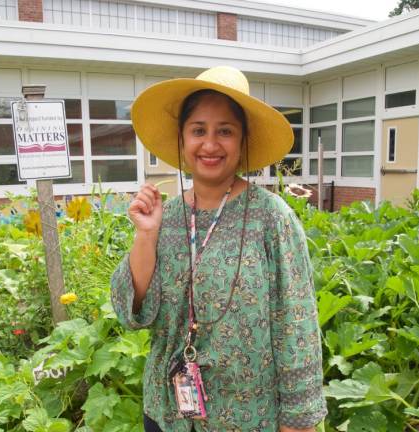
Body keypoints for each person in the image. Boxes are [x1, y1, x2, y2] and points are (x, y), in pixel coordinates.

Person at [111, 66, 327, 432]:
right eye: (198, 130)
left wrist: (298, 421)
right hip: (168, 414)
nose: (210, 144)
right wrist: (146, 235)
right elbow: (132, 312)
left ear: (243, 142)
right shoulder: (167, 217)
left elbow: (297, 325)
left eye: (225, 131)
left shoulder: (271, 218)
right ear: (182, 139)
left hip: (248, 418)